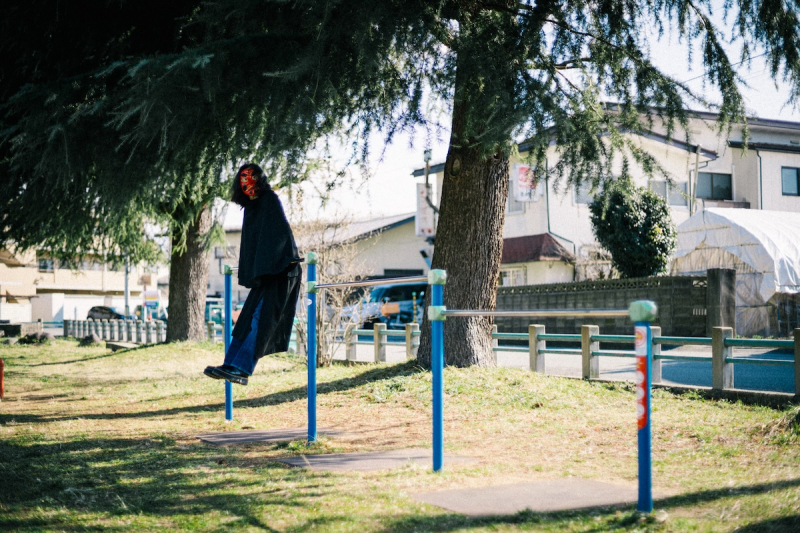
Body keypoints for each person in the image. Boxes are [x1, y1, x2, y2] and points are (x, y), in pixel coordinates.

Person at [204, 163, 302, 385]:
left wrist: (268, 268)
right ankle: (231, 364)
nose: (247, 182)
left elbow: (279, 238)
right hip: (267, 273)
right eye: (243, 178)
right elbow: (252, 246)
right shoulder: (250, 208)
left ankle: (242, 369)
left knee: (262, 319)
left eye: (252, 177)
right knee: (247, 320)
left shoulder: (269, 200)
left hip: (282, 269)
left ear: (260, 179)